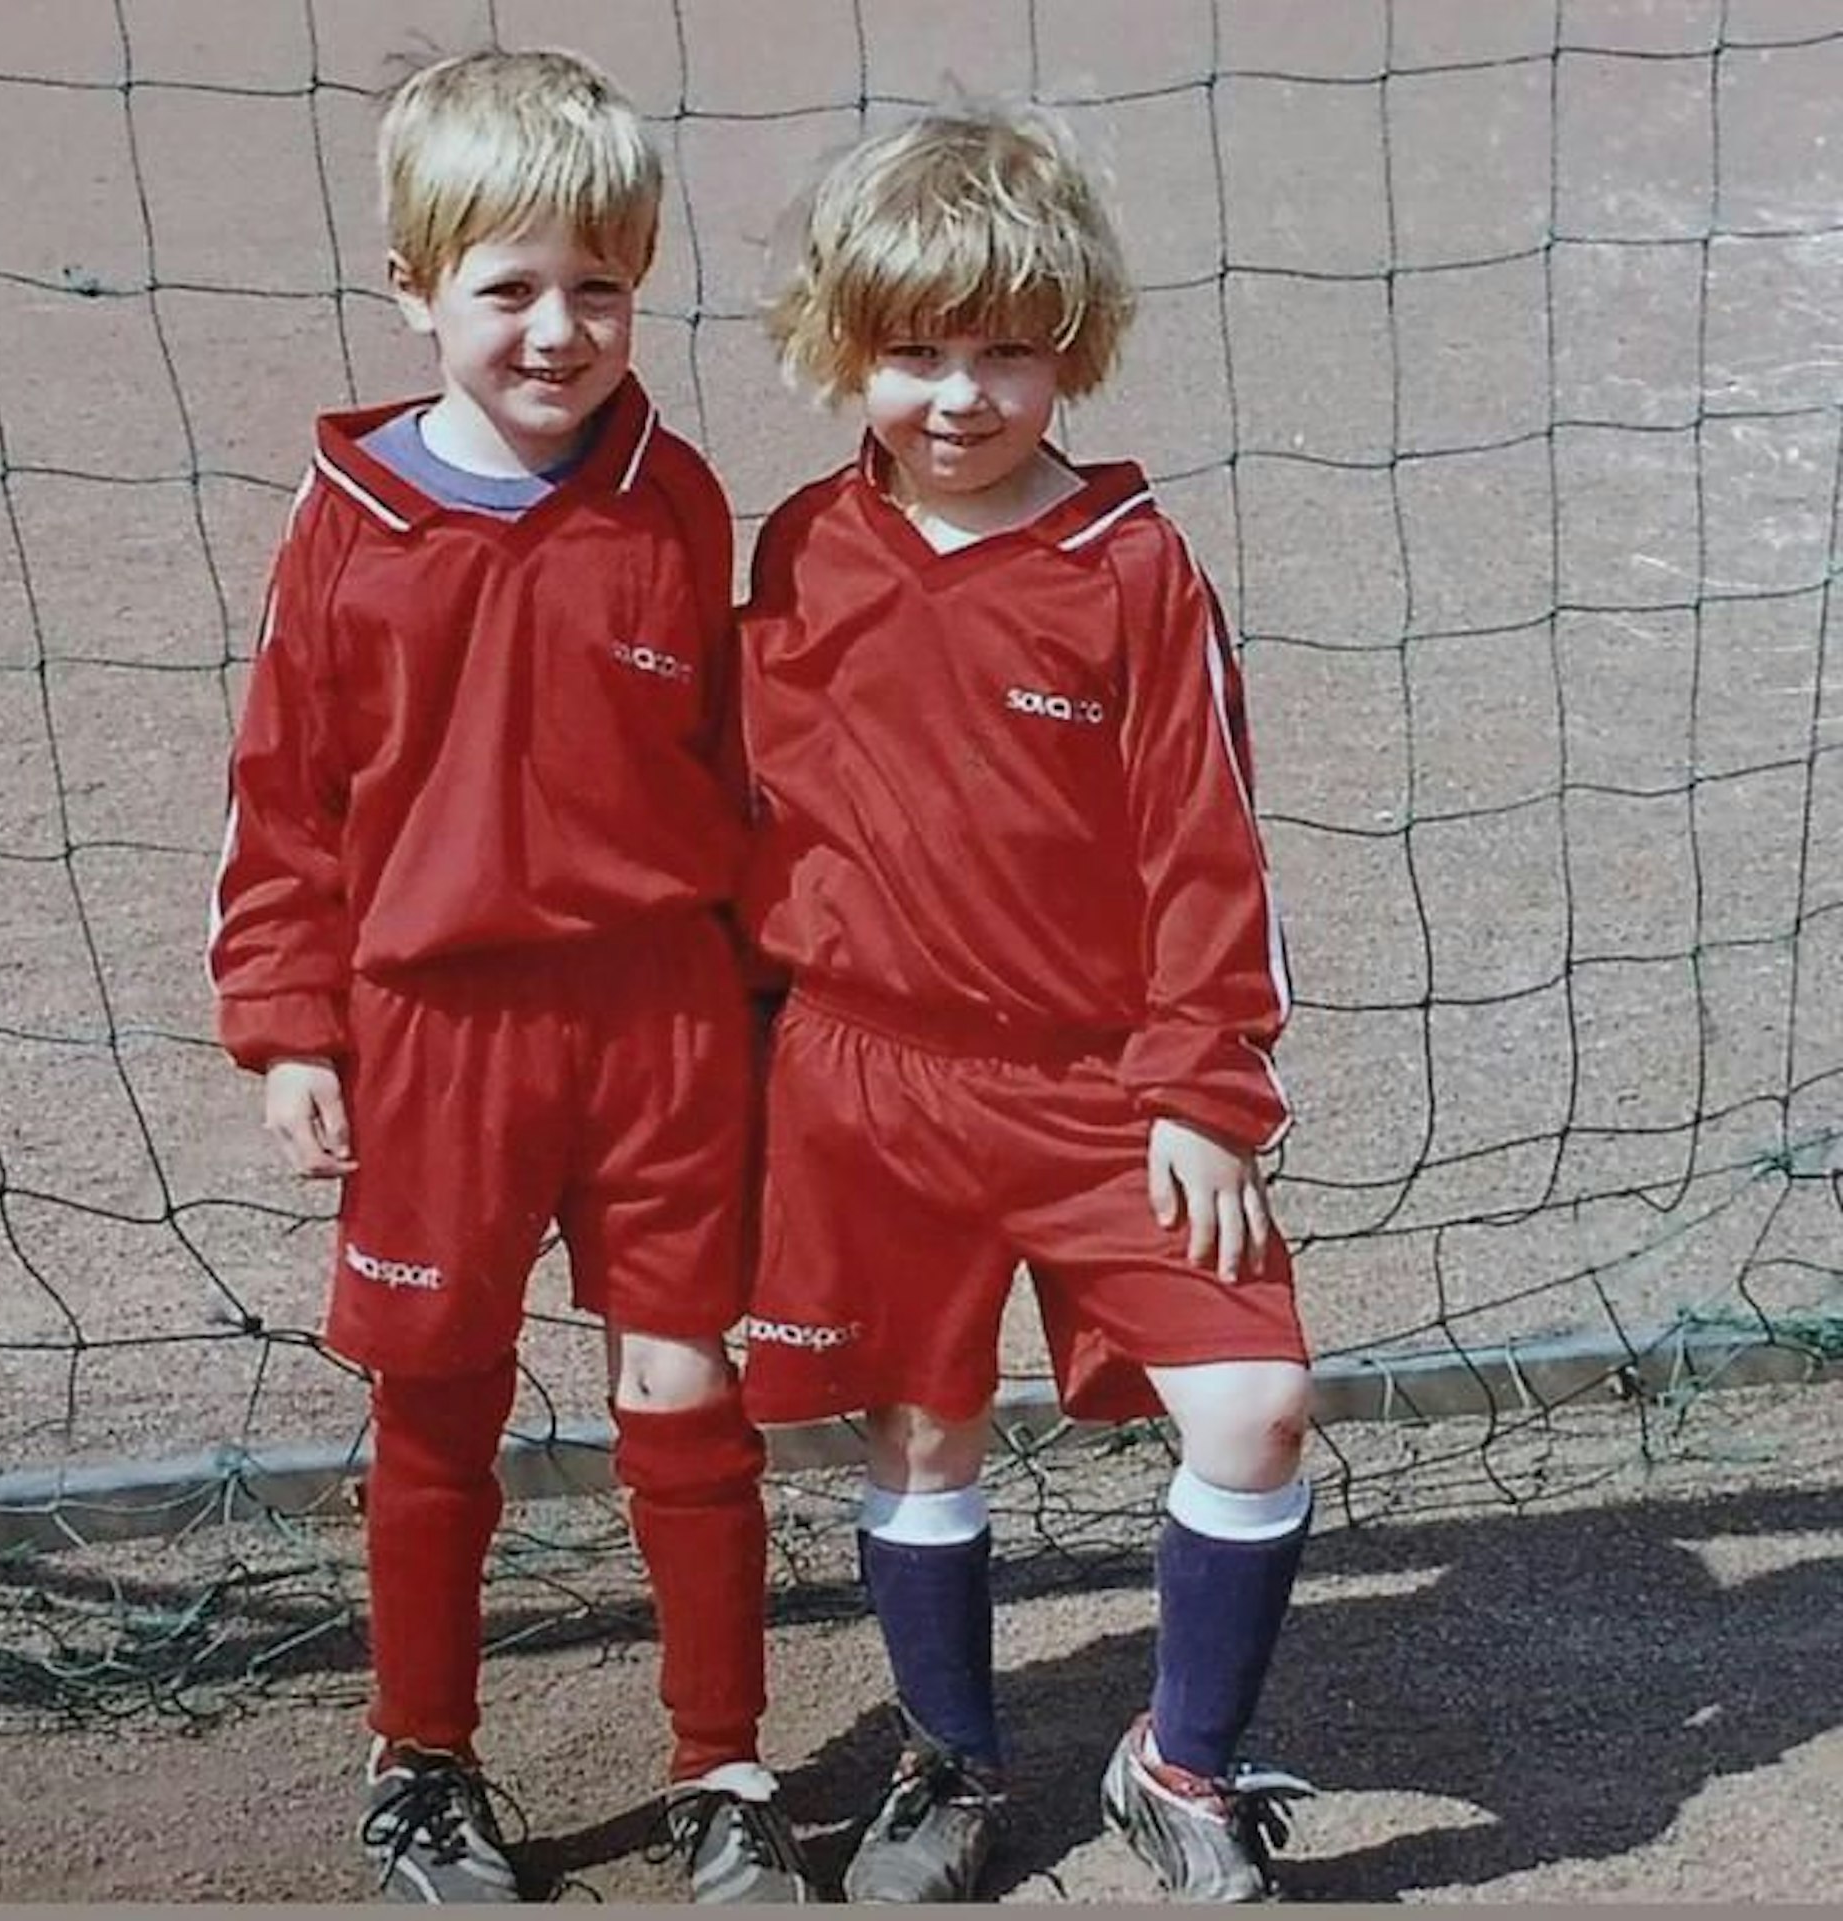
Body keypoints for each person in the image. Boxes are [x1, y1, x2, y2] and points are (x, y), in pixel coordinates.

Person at [206, 46, 811, 1907]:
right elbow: (284, 791)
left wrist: (780, 985)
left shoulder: (677, 497)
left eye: (601, 288)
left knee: (689, 1390)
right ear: (414, 288)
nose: (559, 330)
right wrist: (289, 1021)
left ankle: (723, 1760)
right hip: (437, 1038)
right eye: (511, 288)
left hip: (662, 1025)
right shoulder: (352, 526)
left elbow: (738, 766)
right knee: (439, 1404)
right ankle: (425, 1760)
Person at [736, 102, 1317, 1903]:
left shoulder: (1135, 572)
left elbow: (1205, 843)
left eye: (1007, 349)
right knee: (920, 1432)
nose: (962, 395)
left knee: (1259, 1403)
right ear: (849, 346)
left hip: (1101, 1089)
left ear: (1074, 347)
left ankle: (1182, 1762)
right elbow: (747, 811)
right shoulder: (801, 548)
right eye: (916, 351)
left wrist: (1206, 1083)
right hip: (863, 1080)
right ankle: (953, 1761)